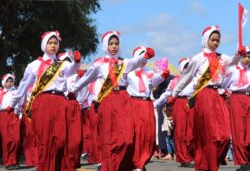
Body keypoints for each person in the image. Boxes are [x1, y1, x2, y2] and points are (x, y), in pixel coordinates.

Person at [69, 31, 155, 171]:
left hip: (123, 101)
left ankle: (121, 166)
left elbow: (136, 62)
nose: (114, 46)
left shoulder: (124, 63)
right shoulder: (99, 64)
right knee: (109, 139)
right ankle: (108, 166)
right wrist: (73, 91)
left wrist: (145, 56)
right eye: (111, 43)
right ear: (105, 46)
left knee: (127, 139)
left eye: (116, 43)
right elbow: (86, 79)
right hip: (107, 101)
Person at [169, 26, 243, 171]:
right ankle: (207, 164)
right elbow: (186, 77)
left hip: (218, 95)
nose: (216, 43)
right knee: (209, 134)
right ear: (205, 40)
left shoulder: (221, 57)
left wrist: (238, 54)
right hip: (203, 96)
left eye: (218, 40)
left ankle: (212, 160)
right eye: (213, 40)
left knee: (224, 135)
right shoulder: (198, 58)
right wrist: (174, 94)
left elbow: (233, 62)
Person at [8, 31, 81, 171]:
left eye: (55, 43)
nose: (53, 45)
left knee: (61, 140)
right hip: (42, 103)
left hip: (60, 102)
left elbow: (72, 70)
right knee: (45, 141)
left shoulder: (62, 64)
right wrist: (12, 104)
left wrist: (77, 62)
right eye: (50, 43)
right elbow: (22, 87)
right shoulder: (33, 65)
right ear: (44, 45)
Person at [126, 47, 170, 171]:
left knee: (148, 135)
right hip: (133, 104)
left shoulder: (149, 73)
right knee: (135, 135)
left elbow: (155, 80)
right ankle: (135, 162)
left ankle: (141, 161)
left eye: (146, 56)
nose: (145, 58)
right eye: (142, 56)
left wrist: (162, 75)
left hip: (147, 105)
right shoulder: (128, 73)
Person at [222, 46, 250, 171]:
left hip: (248, 98)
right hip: (236, 98)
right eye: (245, 56)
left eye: (249, 57)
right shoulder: (233, 70)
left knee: (248, 132)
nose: (247, 59)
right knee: (239, 131)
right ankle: (243, 161)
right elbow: (223, 83)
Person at [0, 73, 21, 170]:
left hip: (14, 114)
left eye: (11, 81)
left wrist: (19, 114)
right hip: (3, 115)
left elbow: (20, 103)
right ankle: (7, 162)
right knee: (6, 140)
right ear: (3, 83)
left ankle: (14, 160)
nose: (9, 83)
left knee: (16, 139)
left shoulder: (16, 91)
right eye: (7, 81)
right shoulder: (0, 92)